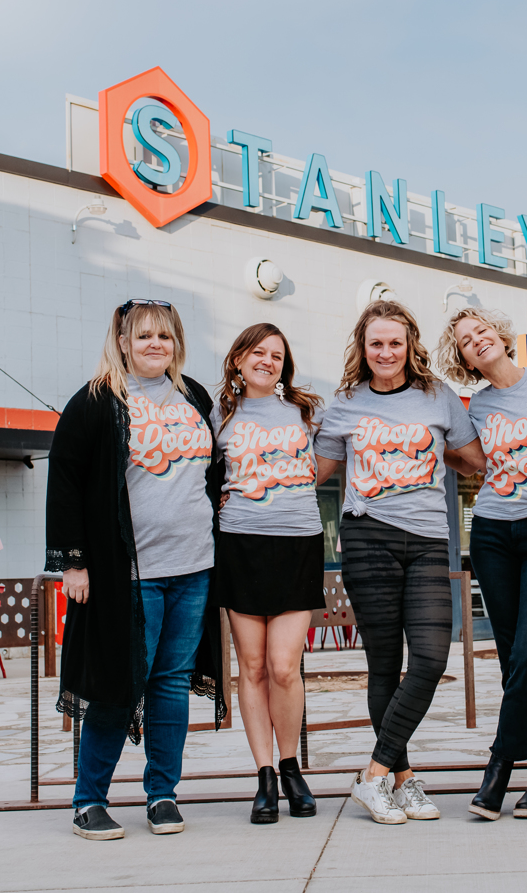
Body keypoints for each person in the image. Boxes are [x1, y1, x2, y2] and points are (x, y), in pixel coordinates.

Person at [46, 298, 226, 842]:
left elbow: (213, 474)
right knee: (118, 685)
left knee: (170, 684)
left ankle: (162, 794)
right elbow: (66, 483)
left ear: (177, 343)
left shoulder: (194, 396)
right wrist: (73, 562)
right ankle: (88, 801)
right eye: (143, 336)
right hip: (130, 573)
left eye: (165, 337)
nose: (155, 345)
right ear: (122, 341)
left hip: (193, 567)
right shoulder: (99, 400)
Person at [315, 299, 486, 825]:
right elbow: (315, 473)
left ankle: (373, 775)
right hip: (367, 538)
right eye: (376, 343)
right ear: (362, 350)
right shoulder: (342, 403)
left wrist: (439, 453)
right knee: (384, 665)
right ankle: (403, 778)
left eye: (395, 342)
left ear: (411, 346)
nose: (386, 352)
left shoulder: (438, 398)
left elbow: (476, 460)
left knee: (432, 660)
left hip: (430, 540)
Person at [437, 307, 527, 821]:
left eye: (481, 331)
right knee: (512, 658)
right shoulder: (474, 407)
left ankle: (498, 767)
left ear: (500, 335)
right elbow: (455, 452)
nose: (476, 341)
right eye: (465, 341)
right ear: (464, 358)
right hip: (493, 531)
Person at [211, 322, 326, 825]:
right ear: (238, 359)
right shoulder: (218, 414)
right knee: (252, 667)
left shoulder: (307, 411)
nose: (267, 361)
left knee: (284, 667)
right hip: (239, 546)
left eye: (277, 355)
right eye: (258, 352)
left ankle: (290, 765)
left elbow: (330, 461)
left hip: (298, 544)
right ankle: (264, 777)